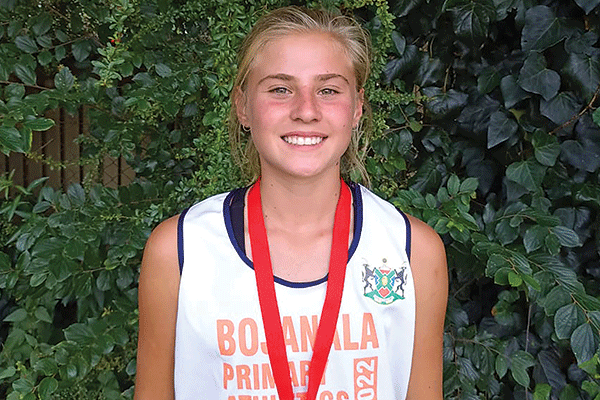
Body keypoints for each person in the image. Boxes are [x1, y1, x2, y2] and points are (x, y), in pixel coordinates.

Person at [134, 6, 447, 400]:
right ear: (243, 106)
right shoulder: (180, 251)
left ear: (357, 107)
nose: (306, 111)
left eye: (328, 90)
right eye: (280, 89)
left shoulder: (412, 252)